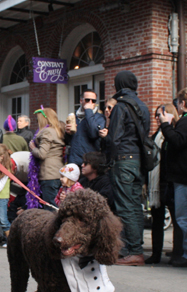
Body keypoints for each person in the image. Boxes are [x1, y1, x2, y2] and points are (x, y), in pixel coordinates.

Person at [102, 71, 149, 266]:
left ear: (118, 85)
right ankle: (135, 247)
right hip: (138, 161)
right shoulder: (143, 106)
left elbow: (114, 137)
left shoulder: (121, 106)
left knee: (125, 206)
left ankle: (133, 250)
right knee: (135, 206)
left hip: (123, 159)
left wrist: (107, 155)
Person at [159, 88, 187, 267]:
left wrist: (166, 125)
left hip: (185, 177)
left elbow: (176, 141)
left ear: (182, 104)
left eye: (178, 102)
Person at [148, 103, 180, 265]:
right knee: (157, 220)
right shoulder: (156, 135)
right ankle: (155, 254)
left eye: (160, 114)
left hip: (170, 181)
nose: (157, 118)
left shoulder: (173, 133)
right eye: (156, 115)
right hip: (156, 183)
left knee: (177, 219)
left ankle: (177, 253)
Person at [28, 106, 65, 210]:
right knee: (56, 206)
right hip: (57, 173)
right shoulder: (58, 131)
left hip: (48, 175)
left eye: (38, 119)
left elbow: (41, 154)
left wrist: (33, 148)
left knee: (50, 208)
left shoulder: (47, 132)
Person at [67, 88, 106, 166]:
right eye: (87, 100)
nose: (90, 103)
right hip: (74, 160)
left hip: (89, 162)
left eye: (93, 101)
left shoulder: (100, 118)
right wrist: (67, 133)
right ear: (81, 101)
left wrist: (88, 111)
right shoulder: (74, 116)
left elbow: (93, 134)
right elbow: (67, 141)